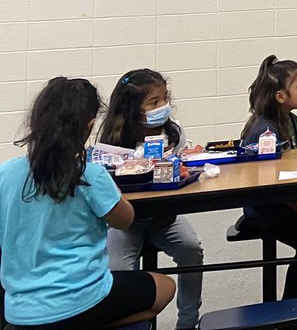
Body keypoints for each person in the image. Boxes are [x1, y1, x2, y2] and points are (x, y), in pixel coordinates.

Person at [0, 77, 175, 329]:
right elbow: (125, 220)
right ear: (89, 125)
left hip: (20, 310)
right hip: (83, 298)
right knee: (166, 286)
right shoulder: (89, 174)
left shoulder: (6, 173)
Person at [98, 69, 204, 329]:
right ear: (133, 108)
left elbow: (181, 172)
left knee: (192, 250)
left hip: (165, 217)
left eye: (165, 99)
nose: (163, 107)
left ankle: (188, 322)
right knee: (118, 272)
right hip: (125, 222)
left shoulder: (174, 133)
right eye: (154, 103)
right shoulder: (114, 141)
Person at [235, 55, 297, 299]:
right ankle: (290, 305)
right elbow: (272, 186)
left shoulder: (292, 120)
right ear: (280, 96)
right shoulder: (267, 132)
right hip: (267, 206)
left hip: (288, 196)